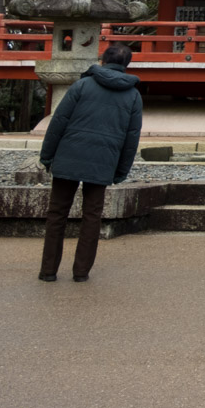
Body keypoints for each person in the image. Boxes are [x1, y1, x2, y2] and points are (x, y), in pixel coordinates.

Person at [37, 42, 143, 283]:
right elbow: (131, 137)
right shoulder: (133, 95)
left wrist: (47, 156)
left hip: (69, 154)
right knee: (92, 216)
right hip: (104, 160)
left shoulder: (82, 85)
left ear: (103, 59)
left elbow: (58, 123)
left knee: (57, 214)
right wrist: (121, 171)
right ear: (126, 65)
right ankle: (81, 272)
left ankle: (48, 271)